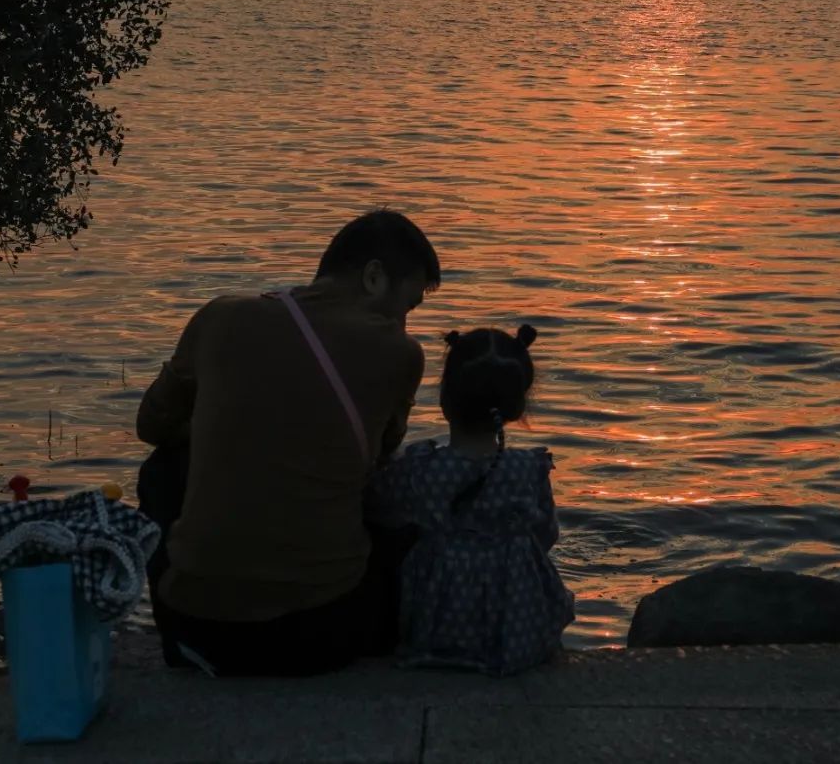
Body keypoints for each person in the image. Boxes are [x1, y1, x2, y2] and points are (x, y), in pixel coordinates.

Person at [135, 209, 440, 676]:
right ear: (374, 277)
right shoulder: (399, 353)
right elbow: (379, 462)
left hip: (193, 627)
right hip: (325, 633)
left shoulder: (220, 317)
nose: (403, 322)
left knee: (162, 468)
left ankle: (200, 596)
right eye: (408, 307)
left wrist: (226, 428)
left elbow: (152, 427)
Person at [365, 324, 574, 675]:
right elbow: (546, 535)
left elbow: (378, 509)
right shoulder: (528, 468)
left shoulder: (422, 469)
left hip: (436, 627)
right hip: (517, 630)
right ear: (518, 405)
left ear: (445, 400)